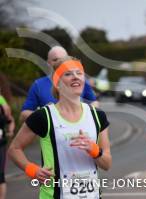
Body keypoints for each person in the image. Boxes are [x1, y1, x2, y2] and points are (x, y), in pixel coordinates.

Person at [8, 56, 112, 199]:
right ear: (57, 83)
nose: (75, 77)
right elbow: (14, 149)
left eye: (79, 73)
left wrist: (93, 149)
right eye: (68, 74)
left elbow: (107, 164)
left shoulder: (98, 116)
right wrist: (32, 170)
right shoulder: (44, 117)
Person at [20, 46, 98, 123]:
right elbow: (24, 114)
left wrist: (83, 115)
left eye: (63, 59)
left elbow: (94, 102)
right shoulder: (38, 85)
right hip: (51, 131)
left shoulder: (78, 81)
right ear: (48, 63)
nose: (59, 63)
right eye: (55, 60)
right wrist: (46, 115)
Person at [0, 74, 15, 199]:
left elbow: (10, 120)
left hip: (0, 143)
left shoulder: (1, 101)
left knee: (0, 176)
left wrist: (10, 131)